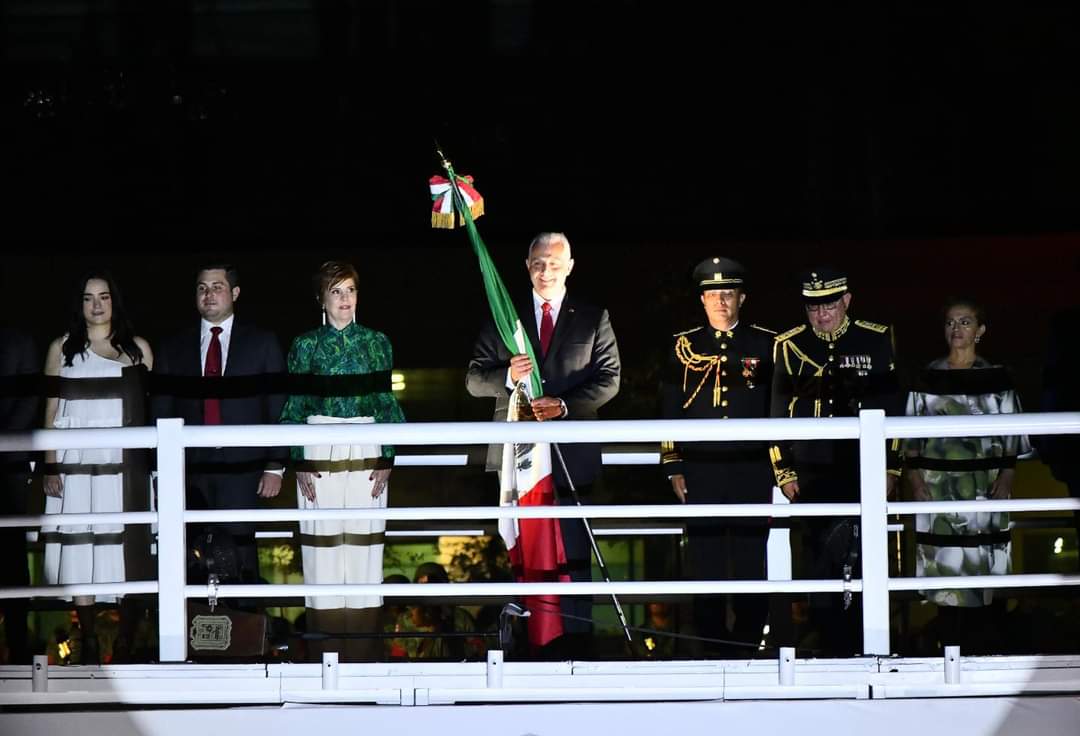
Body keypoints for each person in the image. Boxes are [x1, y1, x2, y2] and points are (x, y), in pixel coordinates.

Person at [466, 231, 621, 658]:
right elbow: (473, 378)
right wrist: (508, 377)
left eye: (554, 262)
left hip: (573, 459)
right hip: (519, 465)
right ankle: (529, 652)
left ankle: (577, 652)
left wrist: (566, 407)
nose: (546, 270)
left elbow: (610, 379)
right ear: (526, 266)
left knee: (573, 560)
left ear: (570, 266)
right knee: (526, 559)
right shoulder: (505, 317)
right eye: (538, 262)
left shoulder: (593, 317)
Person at [769, 266, 902, 656]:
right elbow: (777, 414)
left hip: (861, 466)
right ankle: (827, 648)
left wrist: (891, 467)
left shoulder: (875, 340)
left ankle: (867, 646)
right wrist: (784, 469)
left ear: (846, 301)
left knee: (863, 558)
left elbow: (891, 409)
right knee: (818, 560)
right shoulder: (789, 345)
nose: (820, 315)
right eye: (812, 308)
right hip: (811, 469)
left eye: (828, 305)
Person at [280, 260, 405, 662]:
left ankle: (365, 655)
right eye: (336, 291)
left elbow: (386, 402)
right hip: (318, 448)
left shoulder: (378, 342)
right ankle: (327, 655)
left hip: (367, 447)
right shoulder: (304, 345)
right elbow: (295, 404)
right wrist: (298, 459)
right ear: (321, 298)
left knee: (366, 552)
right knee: (322, 552)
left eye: (350, 289)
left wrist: (388, 454)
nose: (344, 298)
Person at [659, 257, 776, 657]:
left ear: (742, 298)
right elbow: (671, 408)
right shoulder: (683, 346)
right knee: (704, 560)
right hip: (701, 468)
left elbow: (775, 409)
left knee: (750, 559)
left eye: (728, 294)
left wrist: (779, 464)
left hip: (751, 467)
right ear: (702, 300)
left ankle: (748, 646)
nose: (721, 302)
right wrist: (673, 463)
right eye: (713, 295)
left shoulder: (766, 344)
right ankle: (711, 647)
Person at [903, 297, 1029, 652]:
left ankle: (985, 654)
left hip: (984, 489)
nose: (957, 329)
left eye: (966, 322)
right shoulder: (926, 377)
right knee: (945, 581)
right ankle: (949, 655)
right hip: (937, 491)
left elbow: (1013, 436)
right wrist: (915, 481)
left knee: (984, 574)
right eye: (950, 322)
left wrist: (1006, 477)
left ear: (981, 330)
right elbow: (909, 440)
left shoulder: (998, 377)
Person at [152, 264, 286, 596]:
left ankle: (243, 640)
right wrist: (162, 470)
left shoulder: (262, 342)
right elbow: (161, 408)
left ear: (235, 293)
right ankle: (197, 640)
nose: (209, 294)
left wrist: (275, 464)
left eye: (217, 286)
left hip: (244, 469)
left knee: (240, 555)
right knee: (190, 555)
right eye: (202, 287)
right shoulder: (172, 347)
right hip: (189, 470)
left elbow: (278, 404)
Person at [41, 271, 154, 664]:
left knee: (127, 547)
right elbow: (51, 410)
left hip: (124, 463)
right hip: (76, 462)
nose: (97, 304)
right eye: (89, 298)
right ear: (80, 304)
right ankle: (88, 641)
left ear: (114, 301)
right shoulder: (62, 348)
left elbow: (150, 413)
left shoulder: (138, 349)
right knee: (80, 545)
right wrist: (50, 464)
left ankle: (124, 644)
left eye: (104, 296)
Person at [0, 327, 39, 664]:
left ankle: (17, 641)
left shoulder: (19, 342)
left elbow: (29, 400)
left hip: (8, 466)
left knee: (12, 555)